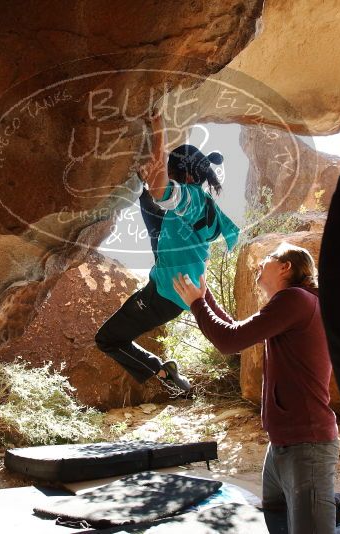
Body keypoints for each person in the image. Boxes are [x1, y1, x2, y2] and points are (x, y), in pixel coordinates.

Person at [172, 242, 340, 534]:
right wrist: (203, 295)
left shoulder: (296, 300)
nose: (261, 263)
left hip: (306, 443)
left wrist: (197, 303)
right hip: (284, 445)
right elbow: (235, 333)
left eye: (269, 258)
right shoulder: (298, 304)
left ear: (286, 267)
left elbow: (228, 340)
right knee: (278, 517)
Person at [94, 112, 239, 393]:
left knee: (107, 339)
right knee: (150, 203)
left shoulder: (191, 198)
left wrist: (158, 130)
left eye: (171, 171)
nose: (166, 176)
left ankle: (162, 371)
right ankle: (163, 370)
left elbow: (162, 189)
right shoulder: (198, 204)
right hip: (171, 287)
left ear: (184, 174)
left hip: (164, 295)